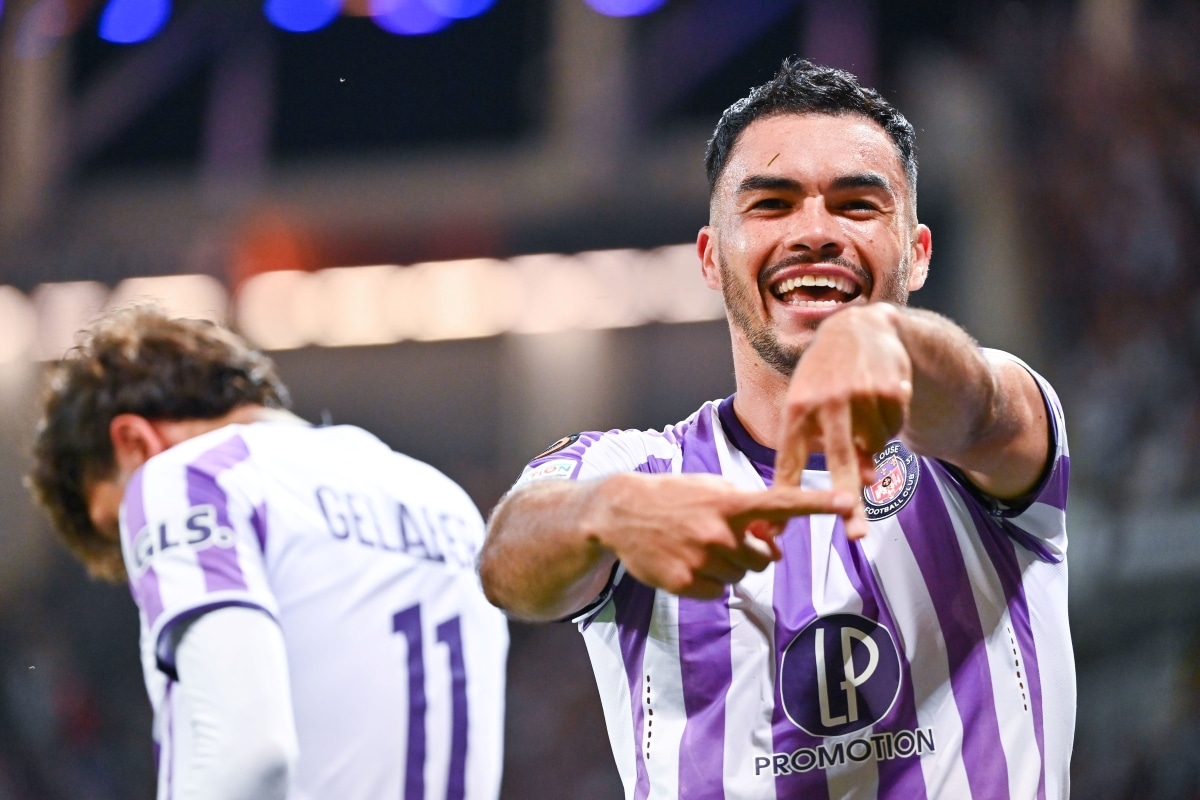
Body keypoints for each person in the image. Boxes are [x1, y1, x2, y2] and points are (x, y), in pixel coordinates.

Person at [478, 57, 1072, 799]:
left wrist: (893, 346)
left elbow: (983, 401)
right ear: (710, 258)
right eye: (772, 205)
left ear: (917, 255)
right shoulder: (642, 471)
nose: (815, 232)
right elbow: (507, 563)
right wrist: (609, 513)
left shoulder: (981, 441)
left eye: (858, 205)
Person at [28, 306, 508, 800]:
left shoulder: (186, 477)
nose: (135, 564)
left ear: (133, 443)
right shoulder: (442, 498)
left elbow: (248, 759)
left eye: (117, 524)